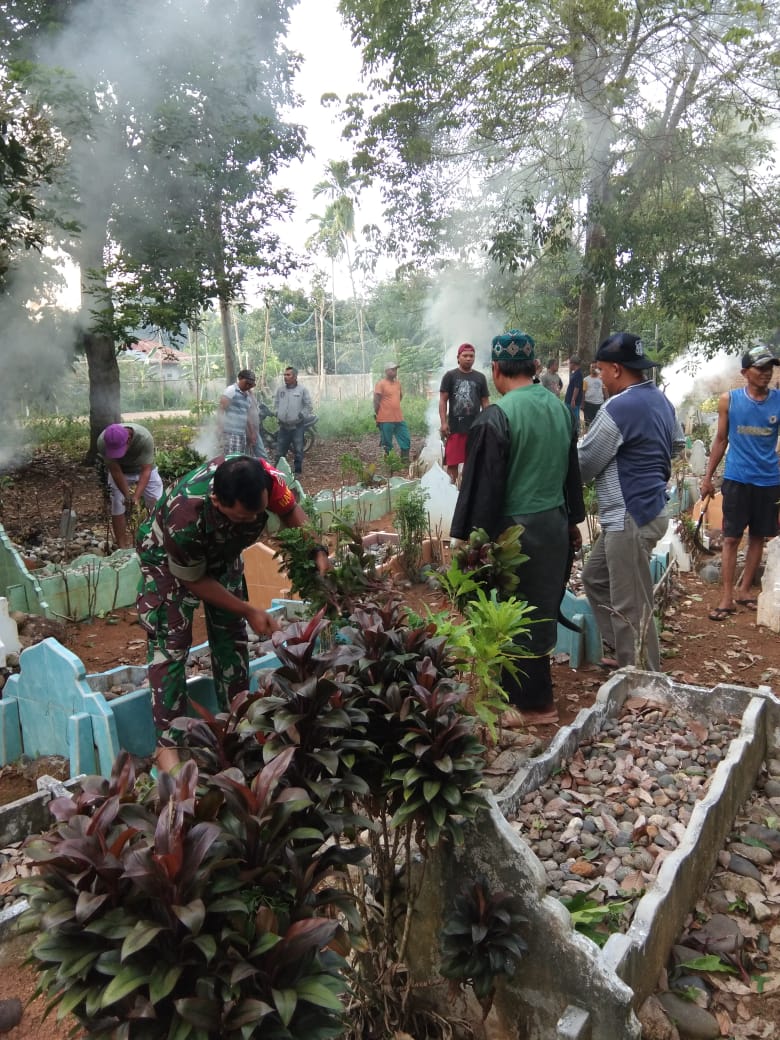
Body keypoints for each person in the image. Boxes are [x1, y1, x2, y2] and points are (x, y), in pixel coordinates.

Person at [136, 454, 328, 771]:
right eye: (243, 517)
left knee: (231, 635)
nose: (253, 521)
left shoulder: (266, 479)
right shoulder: (184, 515)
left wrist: (317, 550)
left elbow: (291, 510)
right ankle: (168, 748)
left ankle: (237, 723)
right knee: (170, 644)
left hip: (223, 552)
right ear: (216, 500)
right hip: (167, 562)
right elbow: (194, 579)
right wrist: (248, 609)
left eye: (258, 514)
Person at [451, 330, 585, 727]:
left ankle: (532, 706)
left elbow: (484, 489)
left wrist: (472, 543)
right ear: (535, 367)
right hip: (554, 525)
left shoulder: (497, 416)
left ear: (495, 369)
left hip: (514, 534)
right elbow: (570, 472)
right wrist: (574, 523)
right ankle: (533, 698)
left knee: (511, 613)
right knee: (540, 610)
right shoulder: (561, 409)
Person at [578, 332, 682, 670]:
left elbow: (585, 463)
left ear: (617, 369)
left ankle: (643, 679)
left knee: (631, 605)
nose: (601, 378)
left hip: (628, 515)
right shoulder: (661, 401)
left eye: (602, 371)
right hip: (647, 510)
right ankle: (627, 653)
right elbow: (678, 444)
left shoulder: (618, 407)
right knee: (594, 578)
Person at [700, 344, 780, 622]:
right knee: (732, 538)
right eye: (760, 368)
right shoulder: (729, 400)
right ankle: (726, 597)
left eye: (770, 367)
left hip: (769, 480)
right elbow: (721, 439)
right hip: (737, 478)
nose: (766, 373)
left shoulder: (779, 401)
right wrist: (707, 477)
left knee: (759, 536)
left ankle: (745, 590)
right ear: (745, 372)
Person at [97, 422, 164, 548]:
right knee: (117, 504)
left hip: (144, 470)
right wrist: (127, 496)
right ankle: (122, 547)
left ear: (128, 439)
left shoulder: (144, 438)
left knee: (157, 503)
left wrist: (136, 497)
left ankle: (157, 541)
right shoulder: (102, 441)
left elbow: (146, 470)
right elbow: (115, 470)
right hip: (121, 472)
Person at [438, 343, 490, 483]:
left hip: (475, 428)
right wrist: (443, 423)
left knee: (472, 463)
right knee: (452, 463)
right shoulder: (450, 376)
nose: (468, 358)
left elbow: (485, 402)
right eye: (465, 356)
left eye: (471, 356)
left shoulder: (480, 378)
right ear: (458, 358)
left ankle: (468, 494)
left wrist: (488, 422)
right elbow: (443, 400)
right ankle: (450, 491)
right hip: (455, 428)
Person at [273, 365, 314, 476]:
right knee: (280, 451)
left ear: (295, 377)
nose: (285, 377)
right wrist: (277, 412)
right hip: (283, 427)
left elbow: (308, 405)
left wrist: (302, 414)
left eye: (288, 375)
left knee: (298, 450)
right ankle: (276, 473)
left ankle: (297, 472)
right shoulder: (280, 390)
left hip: (297, 427)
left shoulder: (302, 390)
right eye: (284, 375)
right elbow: (276, 403)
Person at [373, 362, 411, 461]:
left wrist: (394, 406)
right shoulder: (381, 384)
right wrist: (379, 415)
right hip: (385, 418)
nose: (395, 371)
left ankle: (405, 460)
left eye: (396, 369)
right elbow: (376, 400)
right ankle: (390, 463)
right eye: (392, 369)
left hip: (399, 418)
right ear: (386, 371)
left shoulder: (398, 384)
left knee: (406, 438)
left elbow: (400, 397)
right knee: (387, 442)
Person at [217, 369, 257, 456]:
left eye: (250, 384)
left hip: (241, 434)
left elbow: (247, 416)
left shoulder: (248, 396)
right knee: (231, 459)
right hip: (230, 434)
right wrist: (220, 428)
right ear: (240, 378)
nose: (248, 386)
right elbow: (221, 409)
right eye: (247, 383)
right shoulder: (231, 390)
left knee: (239, 459)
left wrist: (252, 433)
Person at [582, 362, 606, 428]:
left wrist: (607, 400)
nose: (593, 369)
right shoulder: (585, 379)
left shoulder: (602, 379)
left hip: (599, 404)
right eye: (592, 367)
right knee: (588, 423)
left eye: (595, 367)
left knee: (598, 423)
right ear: (589, 369)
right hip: (588, 404)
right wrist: (582, 404)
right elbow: (583, 392)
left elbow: (604, 390)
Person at [564, 355, 583, 427]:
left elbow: (577, 387)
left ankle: (576, 433)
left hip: (572, 402)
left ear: (573, 364)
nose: (569, 365)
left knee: (574, 419)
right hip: (569, 400)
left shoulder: (578, 374)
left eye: (569, 363)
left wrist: (573, 399)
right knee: (570, 418)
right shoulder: (575, 373)